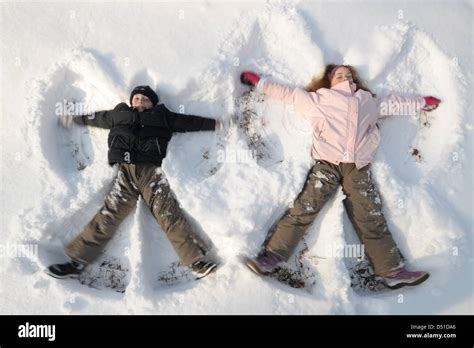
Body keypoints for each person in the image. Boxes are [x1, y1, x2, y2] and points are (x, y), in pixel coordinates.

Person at [240, 65, 441, 289]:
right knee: (306, 208)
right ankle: (272, 257)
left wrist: (422, 102)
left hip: (358, 168)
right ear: (330, 80)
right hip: (327, 165)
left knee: (370, 216)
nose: (345, 77)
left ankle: (391, 270)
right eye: (339, 74)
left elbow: (396, 104)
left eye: (348, 74)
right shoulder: (320, 99)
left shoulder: (368, 101)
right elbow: (289, 94)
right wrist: (260, 82)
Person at [47, 85, 223, 280]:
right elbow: (97, 118)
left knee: (169, 213)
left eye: (145, 99)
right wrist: (74, 119)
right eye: (137, 98)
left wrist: (214, 123)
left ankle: (195, 261)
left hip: (151, 174)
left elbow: (188, 122)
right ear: (131, 101)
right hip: (125, 173)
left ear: (153, 103)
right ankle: (77, 260)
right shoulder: (118, 114)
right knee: (109, 214)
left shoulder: (162, 116)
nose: (140, 101)